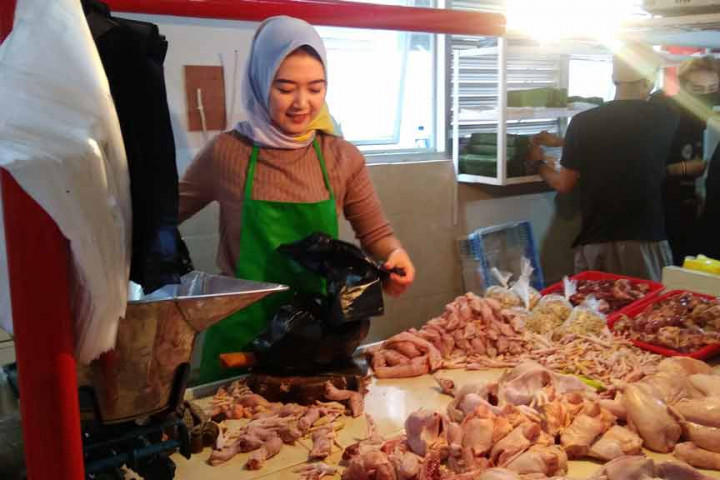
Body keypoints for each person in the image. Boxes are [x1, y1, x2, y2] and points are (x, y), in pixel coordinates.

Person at [179, 16, 416, 383]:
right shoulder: (228, 153)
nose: (301, 104)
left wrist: (394, 256)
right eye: (285, 87)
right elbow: (163, 216)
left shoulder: (341, 158)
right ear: (260, 82)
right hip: (239, 338)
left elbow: (376, 233)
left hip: (314, 341)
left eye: (315, 88)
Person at [529, 42, 678, 281]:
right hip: (646, 236)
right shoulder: (665, 118)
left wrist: (538, 164)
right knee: (646, 309)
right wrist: (560, 142)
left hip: (597, 238)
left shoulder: (583, 122)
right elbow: (626, 144)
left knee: (598, 313)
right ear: (647, 81)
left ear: (613, 78)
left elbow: (564, 184)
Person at [650, 57, 716, 265]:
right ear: (683, 86)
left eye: (713, 88)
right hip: (668, 207)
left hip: (704, 209)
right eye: (698, 88)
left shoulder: (713, 114)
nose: (707, 94)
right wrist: (682, 169)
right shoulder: (665, 114)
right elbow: (643, 168)